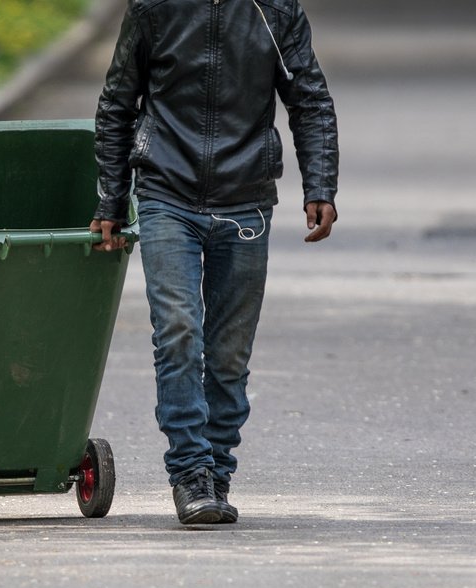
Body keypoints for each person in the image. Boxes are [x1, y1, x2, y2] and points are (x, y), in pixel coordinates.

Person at [89, 0, 338, 525]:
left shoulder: (276, 11)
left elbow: (309, 99)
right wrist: (111, 200)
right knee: (178, 330)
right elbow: (117, 103)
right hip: (165, 193)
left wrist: (320, 185)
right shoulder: (154, 8)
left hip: (246, 199)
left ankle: (216, 472)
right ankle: (190, 473)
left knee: (228, 354)